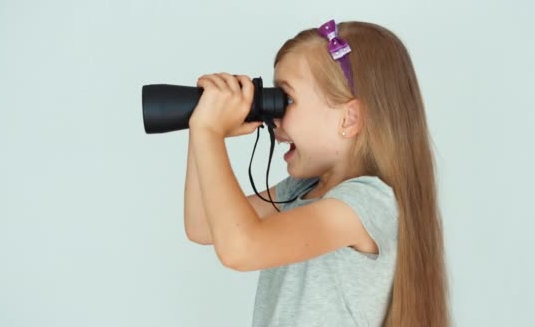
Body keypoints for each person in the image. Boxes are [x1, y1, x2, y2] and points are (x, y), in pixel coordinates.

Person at [184, 19, 450, 327]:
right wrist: (199, 126)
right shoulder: (300, 190)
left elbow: (240, 249)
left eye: (288, 99)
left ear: (349, 118)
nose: (274, 117)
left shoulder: (365, 203)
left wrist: (209, 132)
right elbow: (203, 224)